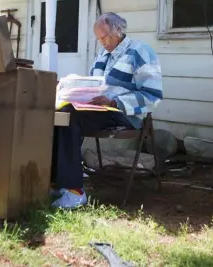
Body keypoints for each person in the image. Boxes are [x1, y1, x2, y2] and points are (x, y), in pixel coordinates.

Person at [50, 12, 163, 209]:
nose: (102, 42)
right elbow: (95, 84)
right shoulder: (104, 54)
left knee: (69, 117)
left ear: (118, 31)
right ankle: (58, 182)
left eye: (105, 37)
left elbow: (153, 96)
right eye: (99, 38)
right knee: (59, 114)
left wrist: (114, 101)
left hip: (125, 113)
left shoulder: (140, 52)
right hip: (99, 110)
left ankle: (74, 192)